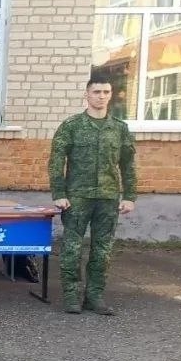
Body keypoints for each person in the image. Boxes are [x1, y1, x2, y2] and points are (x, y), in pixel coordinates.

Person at [48, 77, 137, 315]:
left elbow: (128, 165)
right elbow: (56, 161)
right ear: (86, 95)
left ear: (111, 95)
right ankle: (71, 296)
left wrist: (130, 196)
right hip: (77, 197)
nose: (101, 96)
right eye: (96, 91)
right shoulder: (72, 125)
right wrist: (59, 193)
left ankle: (95, 296)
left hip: (108, 197)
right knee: (72, 248)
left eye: (106, 92)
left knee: (102, 250)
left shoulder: (119, 128)